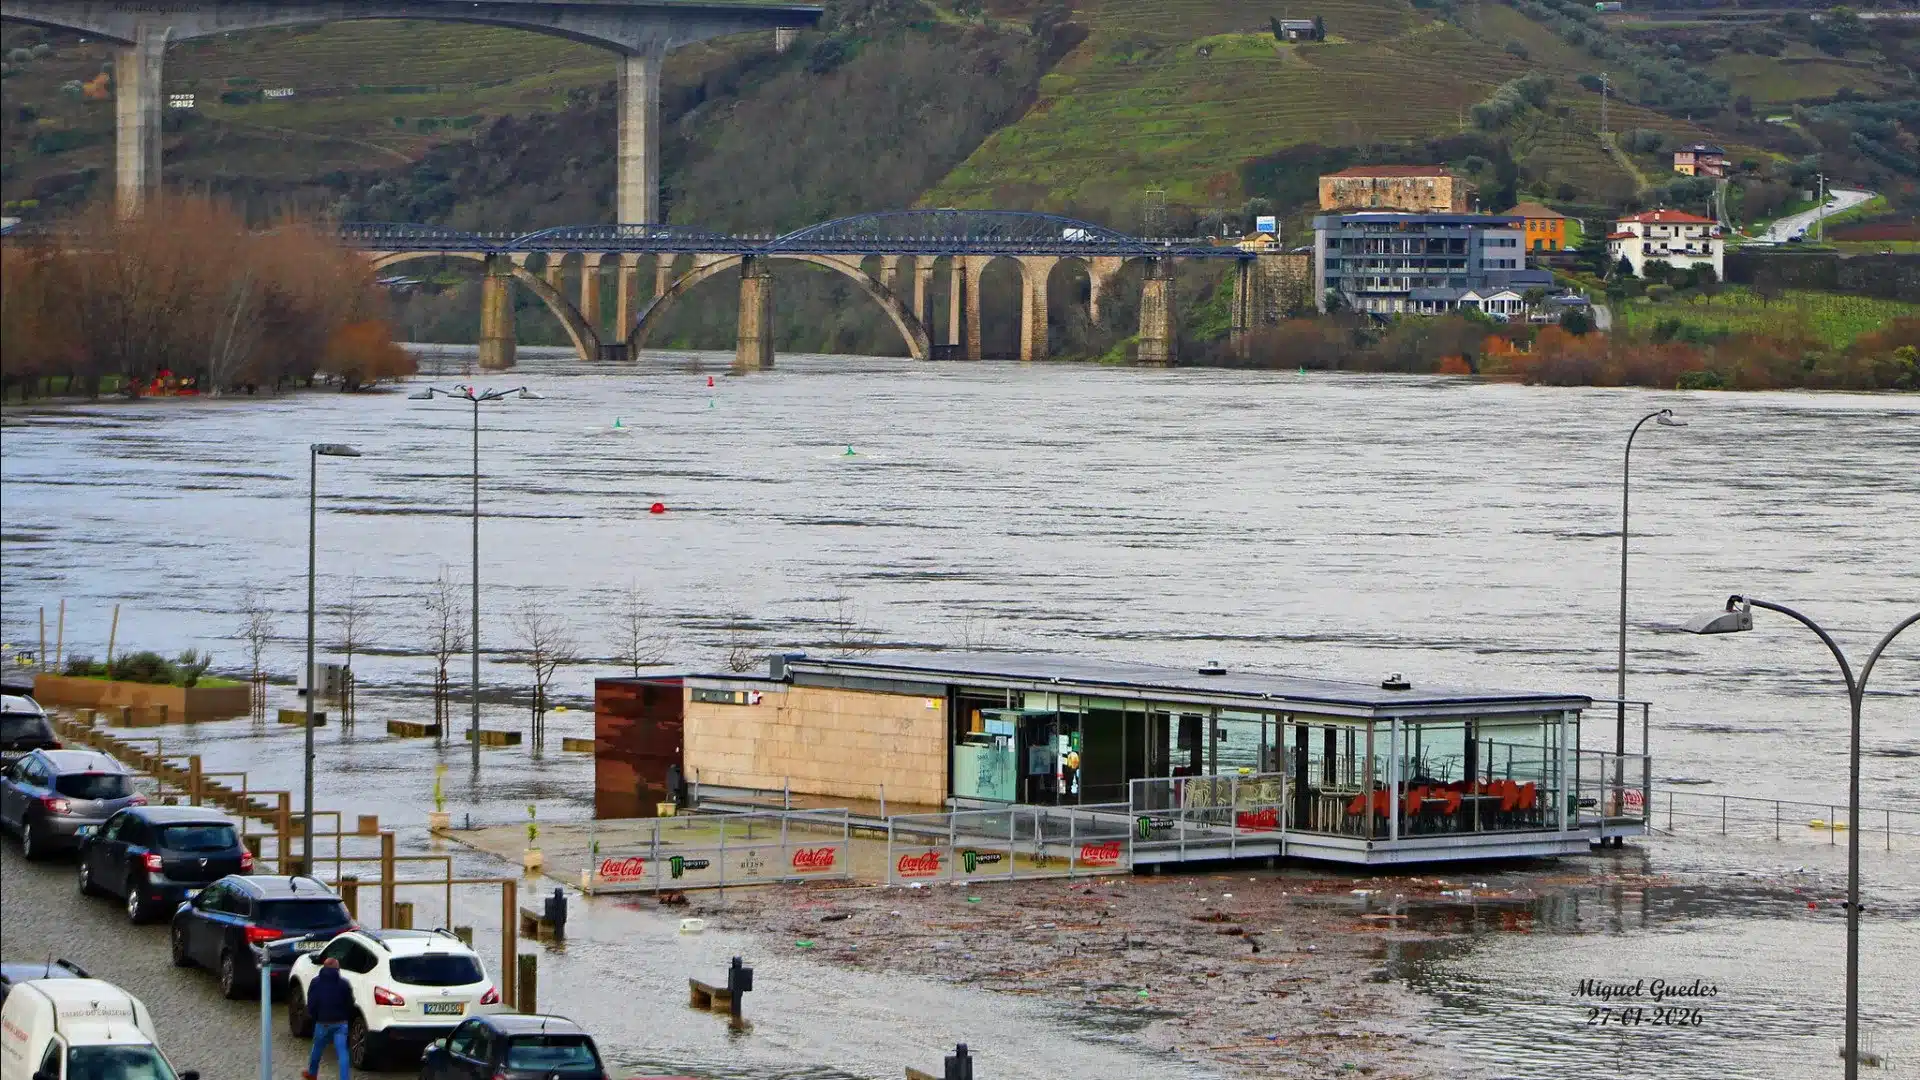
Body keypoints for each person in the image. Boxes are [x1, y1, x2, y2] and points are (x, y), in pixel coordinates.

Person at [303, 956, 353, 1080]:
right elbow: (350, 1003)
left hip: (322, 1022)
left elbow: (311, 1003)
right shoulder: (344, 984)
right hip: (341, 1023)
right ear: (338, 969)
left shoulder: (316, 982)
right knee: (342, 1052)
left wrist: (316, 1017)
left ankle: (312, 1074)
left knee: (317, 1049)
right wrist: (346, 1017)